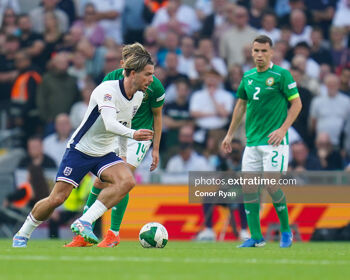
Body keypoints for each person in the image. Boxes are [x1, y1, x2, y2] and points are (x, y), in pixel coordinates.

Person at [12, 47, 155, 248]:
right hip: (80, 150)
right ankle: (22, 233)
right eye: (148, 74)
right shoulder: (107, 91)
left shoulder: (139, 96)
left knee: (127, 182)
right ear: (133, 73)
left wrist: (122, 154)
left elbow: (124, 124)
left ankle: (85, 221)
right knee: (57, 198)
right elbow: (109, 123)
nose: (151, 79)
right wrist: (134, 135)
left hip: (105, 152)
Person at [65, 42, 165, 248]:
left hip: (140, 138)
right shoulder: (111, 78)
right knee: (100, 182)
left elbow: (158, 116)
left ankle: (113, 233)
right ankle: (84, 234)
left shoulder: (153, 84)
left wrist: (155, 148)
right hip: (116, 133)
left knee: (123, 179)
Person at [221, 35, 302, 248]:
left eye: (264, 51)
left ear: (271, 52)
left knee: (272, 184)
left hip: (275, 142)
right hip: (252, 142)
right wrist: (230, 134)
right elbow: (240, 106)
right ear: (251, 52)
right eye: (256, 51)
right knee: (248, 188)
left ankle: (286, 231)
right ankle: (256, 237)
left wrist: (283, 129)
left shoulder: (281, 75)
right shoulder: (247, 77)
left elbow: (297, 104)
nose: (259, 55)